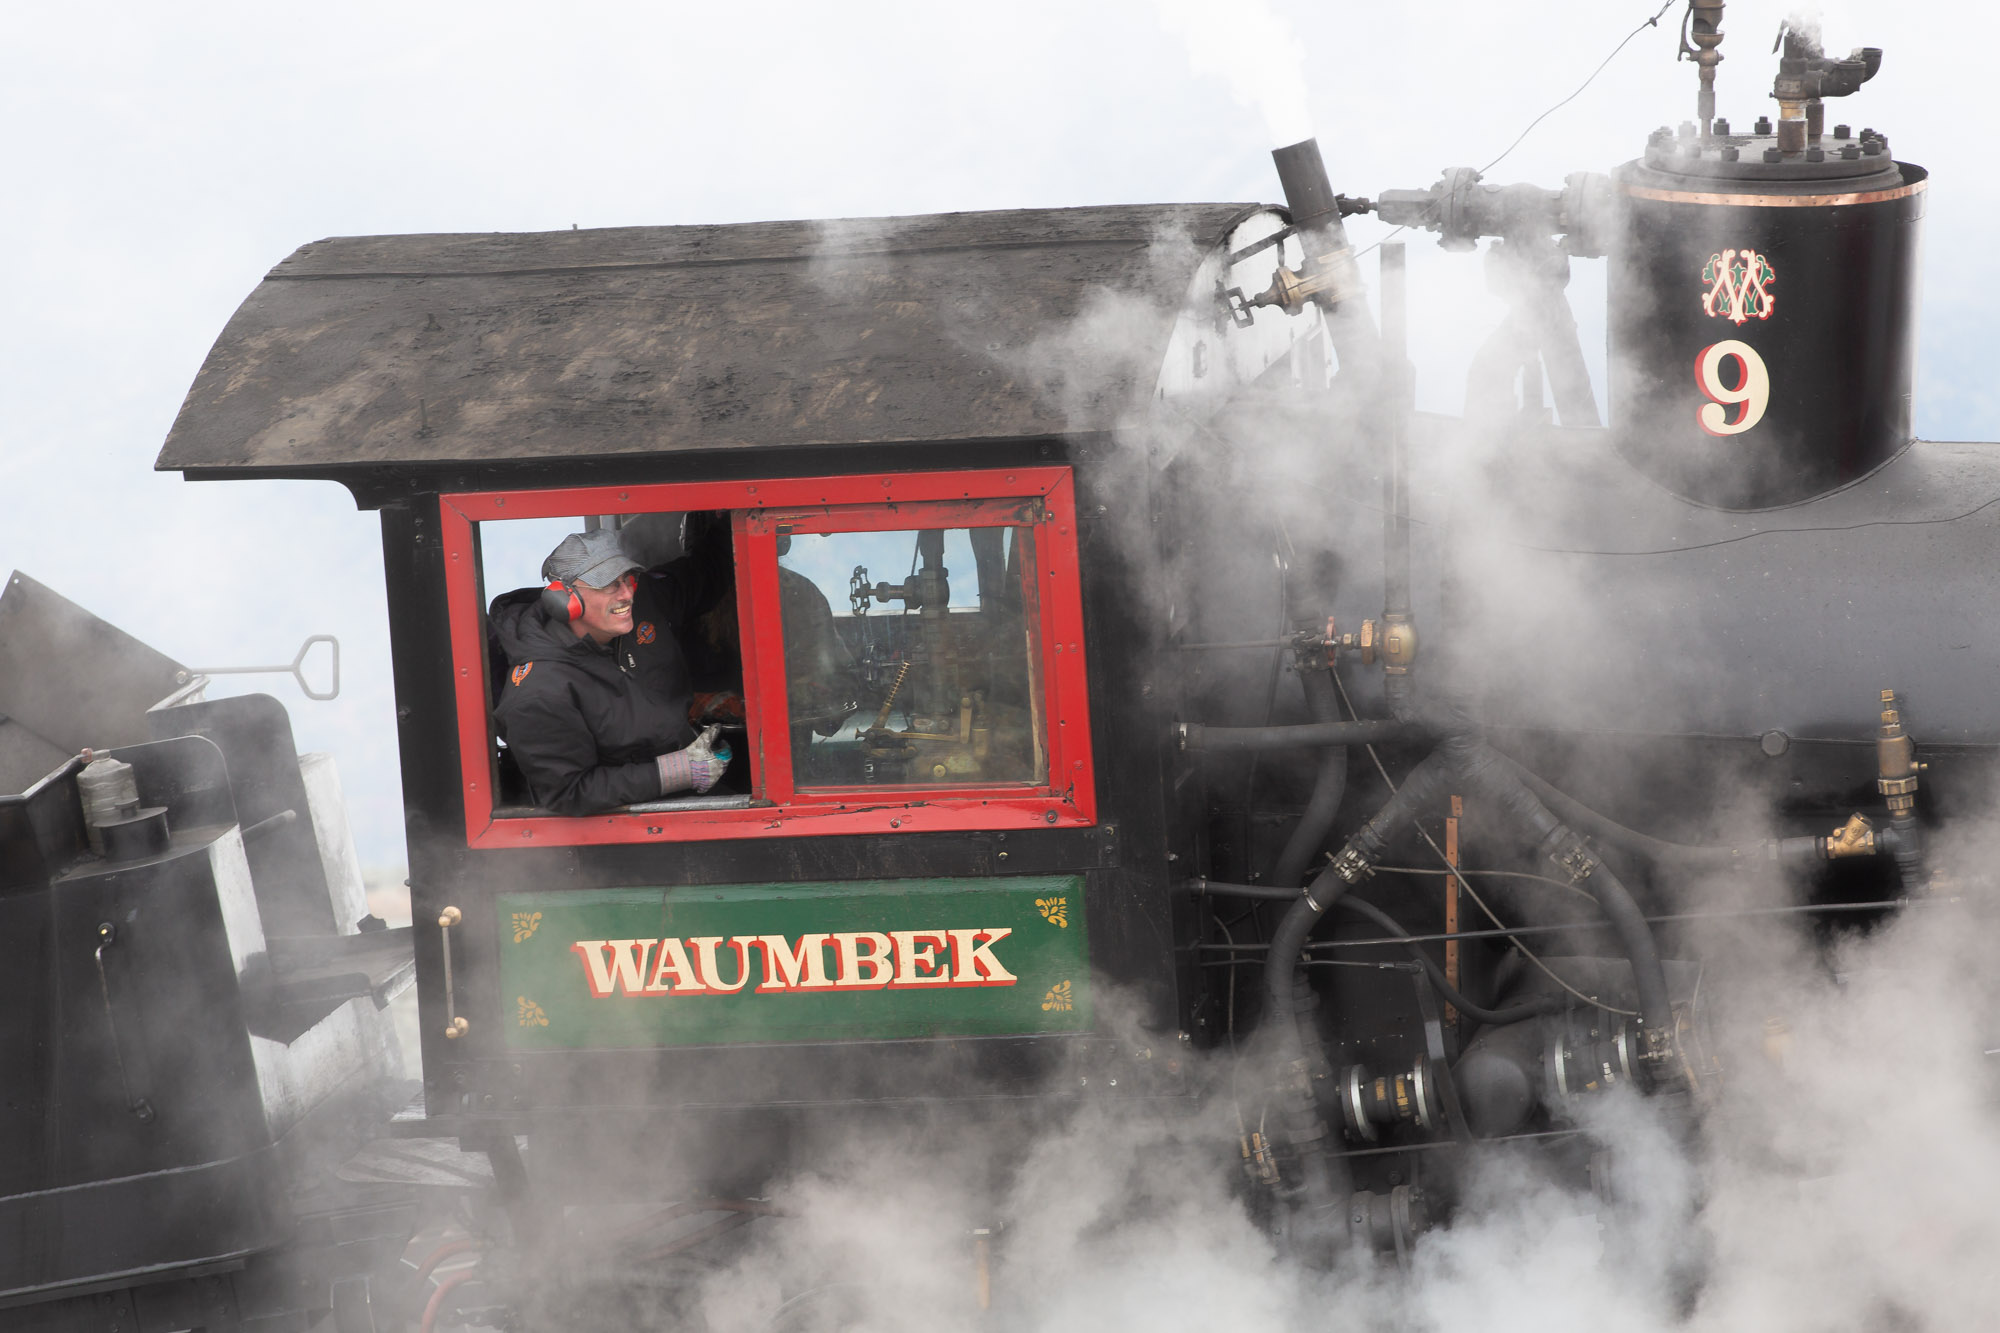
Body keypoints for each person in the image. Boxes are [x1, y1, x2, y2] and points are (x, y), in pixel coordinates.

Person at [489, 528, 731, 815]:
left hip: (693, 785)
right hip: (634, 823)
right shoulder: (540, 693)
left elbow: (705, 575)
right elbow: (568, 792)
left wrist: (724, 529)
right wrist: (677, 771)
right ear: (563, 601)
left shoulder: (644, 603)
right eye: (608, 586)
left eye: (627, 579)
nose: (627, 594)